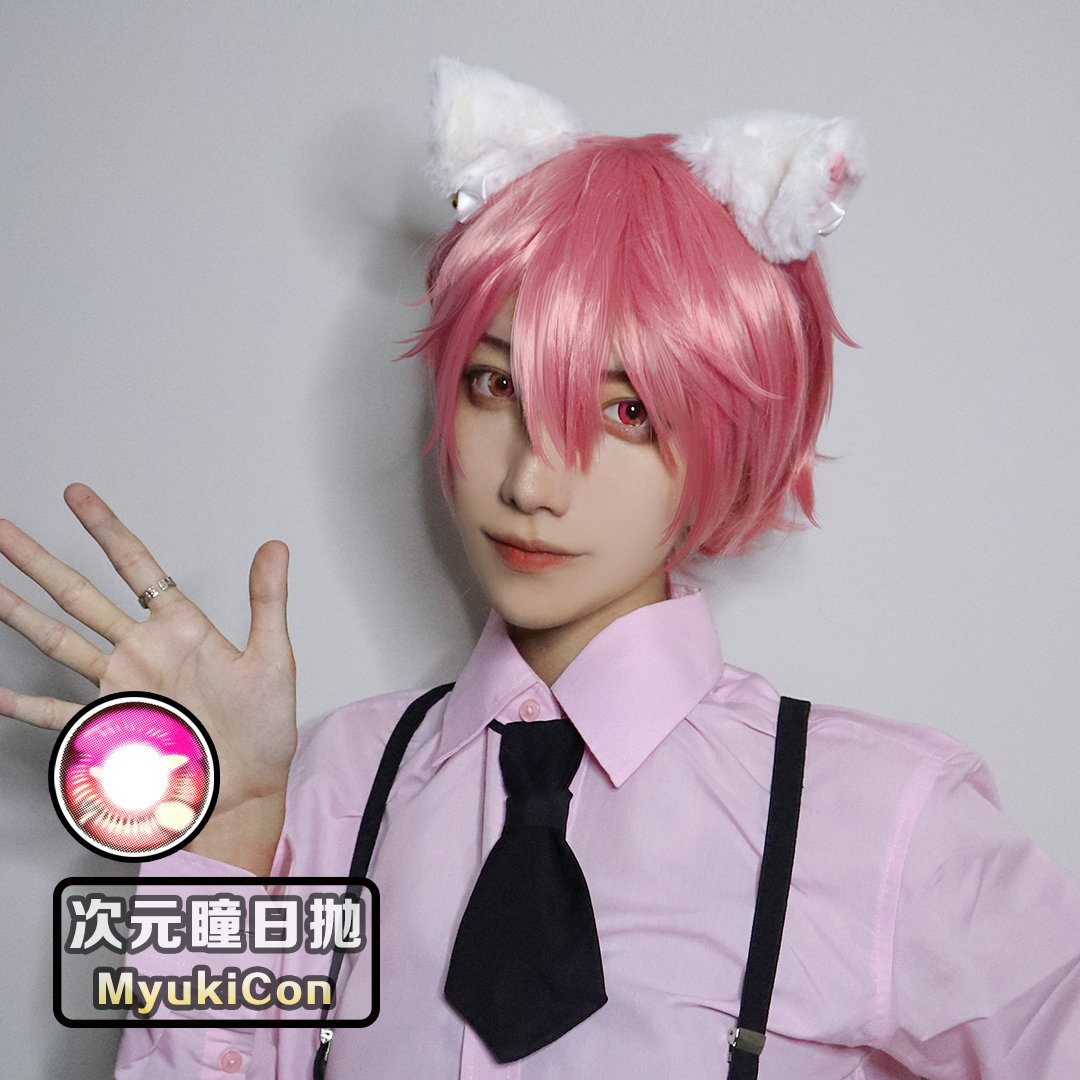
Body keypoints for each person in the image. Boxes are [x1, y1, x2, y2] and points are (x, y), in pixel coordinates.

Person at [2, 59, 1079, 1079]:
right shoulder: (337, 783)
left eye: (626, 411)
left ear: (730, 434)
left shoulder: (881, 818)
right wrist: (231, 830)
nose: (530, 481)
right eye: (495, 387)